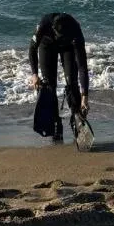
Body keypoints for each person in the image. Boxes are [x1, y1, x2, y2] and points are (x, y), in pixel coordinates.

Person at [28, 12, 90, 140]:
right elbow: (32, 49)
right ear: (53, 29)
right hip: (47, 45)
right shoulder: (43, 25)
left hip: (68, 47)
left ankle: (77, 120)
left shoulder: (76, 32)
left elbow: (82, 67)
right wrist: (34, 74)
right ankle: (56, 123)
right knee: (49, 85)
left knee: (72, 82)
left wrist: (85, 97)